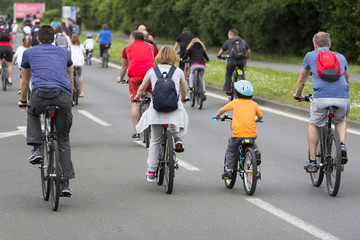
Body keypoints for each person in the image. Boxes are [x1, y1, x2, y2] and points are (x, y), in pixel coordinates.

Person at [18, 25, 75, 195]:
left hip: (41, 96)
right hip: (63, 97)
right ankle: (65, 183)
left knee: (32, 111)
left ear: (37, 38)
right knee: (63, 138)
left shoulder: (28, 53)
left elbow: (23, 80)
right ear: (54, 39)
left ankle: (36, 148)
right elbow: (70, 78)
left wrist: (23, 100)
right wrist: (69, 100)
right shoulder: (65, 53)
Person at [294, 32, 350, 173]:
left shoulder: (310, 55)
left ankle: (312, 161)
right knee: (341, 120)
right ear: (330, 44)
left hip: (321, 98)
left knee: (314, 123)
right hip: (342, 97)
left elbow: (302, 79)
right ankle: (342, 145)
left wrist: (298, 94)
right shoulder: (341, 57)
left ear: (315, 45)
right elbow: (347, 81)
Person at [133, 46, 189, 181]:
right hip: (174, 110)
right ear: (174, 57)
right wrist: (183, 98)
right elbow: (184, 89)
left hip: (156, 111)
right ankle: (177, 138)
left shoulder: (152, 71)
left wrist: (137, 98)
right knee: (177, 115)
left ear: (159, 57)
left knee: (155, 140)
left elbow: (142, 88)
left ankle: (152, 171)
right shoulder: (178, 71)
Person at [214, 80, 262, 179]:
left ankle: (229, 170)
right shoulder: (254, 104)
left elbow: (222, 110)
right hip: (251, 134)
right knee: (252, 143)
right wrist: (256, 120)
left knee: (231, 150)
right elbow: (260, 116)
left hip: (238, 135)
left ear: (236, 94)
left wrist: (217, 116)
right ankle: (256, 151)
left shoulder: (235, 102)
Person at [116, 31, 157, 140]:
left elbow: (124, 67)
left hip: (135, 76)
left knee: (135, 103)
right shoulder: (152, 47)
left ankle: (136, 131)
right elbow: (156, 63)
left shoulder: (127, 48)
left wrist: (120, 78)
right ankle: (156, 124)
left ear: (133, 38)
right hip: (150, 75)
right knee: (152, 96)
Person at [217, 28, 251, 95]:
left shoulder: (228, 42)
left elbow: (221, 51)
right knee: (241, 73)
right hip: (241, 62)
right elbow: (249, 51)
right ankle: (244, 90)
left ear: (230, 34)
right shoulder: (242, 41)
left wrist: (219, 56)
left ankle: (228, 90)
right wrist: (247, 56)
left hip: (232, 62)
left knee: (228, 74)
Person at [0, 19, 13, 86]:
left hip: (0, 47)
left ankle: (0, 67)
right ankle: (10, 81)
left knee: (0, 58)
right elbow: (11, 40)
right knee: (9, 65)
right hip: (8, 47)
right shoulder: (8, 32)